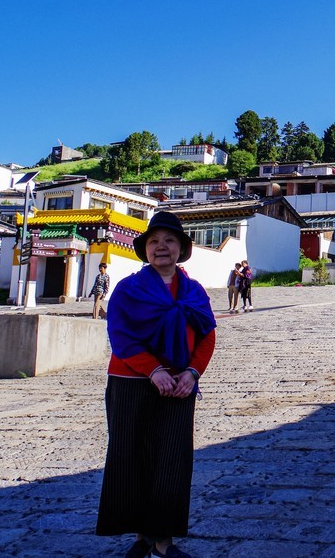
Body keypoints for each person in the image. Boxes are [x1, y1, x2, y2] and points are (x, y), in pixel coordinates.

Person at [96, 211, 216, 558]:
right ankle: (140, 536)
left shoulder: (193, 291)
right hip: (131, 381)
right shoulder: (128, 289)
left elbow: (206, 336)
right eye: (153, 241)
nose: (161, 247)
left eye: (169, 241)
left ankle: (163, 540)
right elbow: (121, 336)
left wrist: (192, 373)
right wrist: (153, 371)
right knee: (131, 455)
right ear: (145, 250)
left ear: (181, 248)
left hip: (180, 384)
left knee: (171, 460)